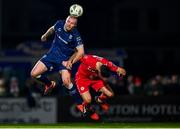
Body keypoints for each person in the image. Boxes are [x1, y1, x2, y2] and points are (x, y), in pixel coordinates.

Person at [30, 15, 84, 104]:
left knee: (67, 82)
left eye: (72, 23)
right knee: (34, 74)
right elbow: (52, 29)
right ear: (65, 21)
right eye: (68, 21)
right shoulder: (59, 23)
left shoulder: (75, 35)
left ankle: (81, 104)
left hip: (64, 60)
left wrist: (70, 61)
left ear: (75, 26)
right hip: (52, 56)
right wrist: (45, 35)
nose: (69, 24)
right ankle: (49, 84)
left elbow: (81, 52)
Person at [74, 54, 126, 120]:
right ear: (99, 72)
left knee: (111, 94)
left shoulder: (107, 63)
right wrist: (69, 62)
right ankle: (89, 110)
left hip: (95, 79)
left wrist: (121, 73)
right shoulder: (88, 59)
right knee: (88, 100)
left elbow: (122, 71)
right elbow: (79, 55)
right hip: (82, 78)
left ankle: (100, 100)